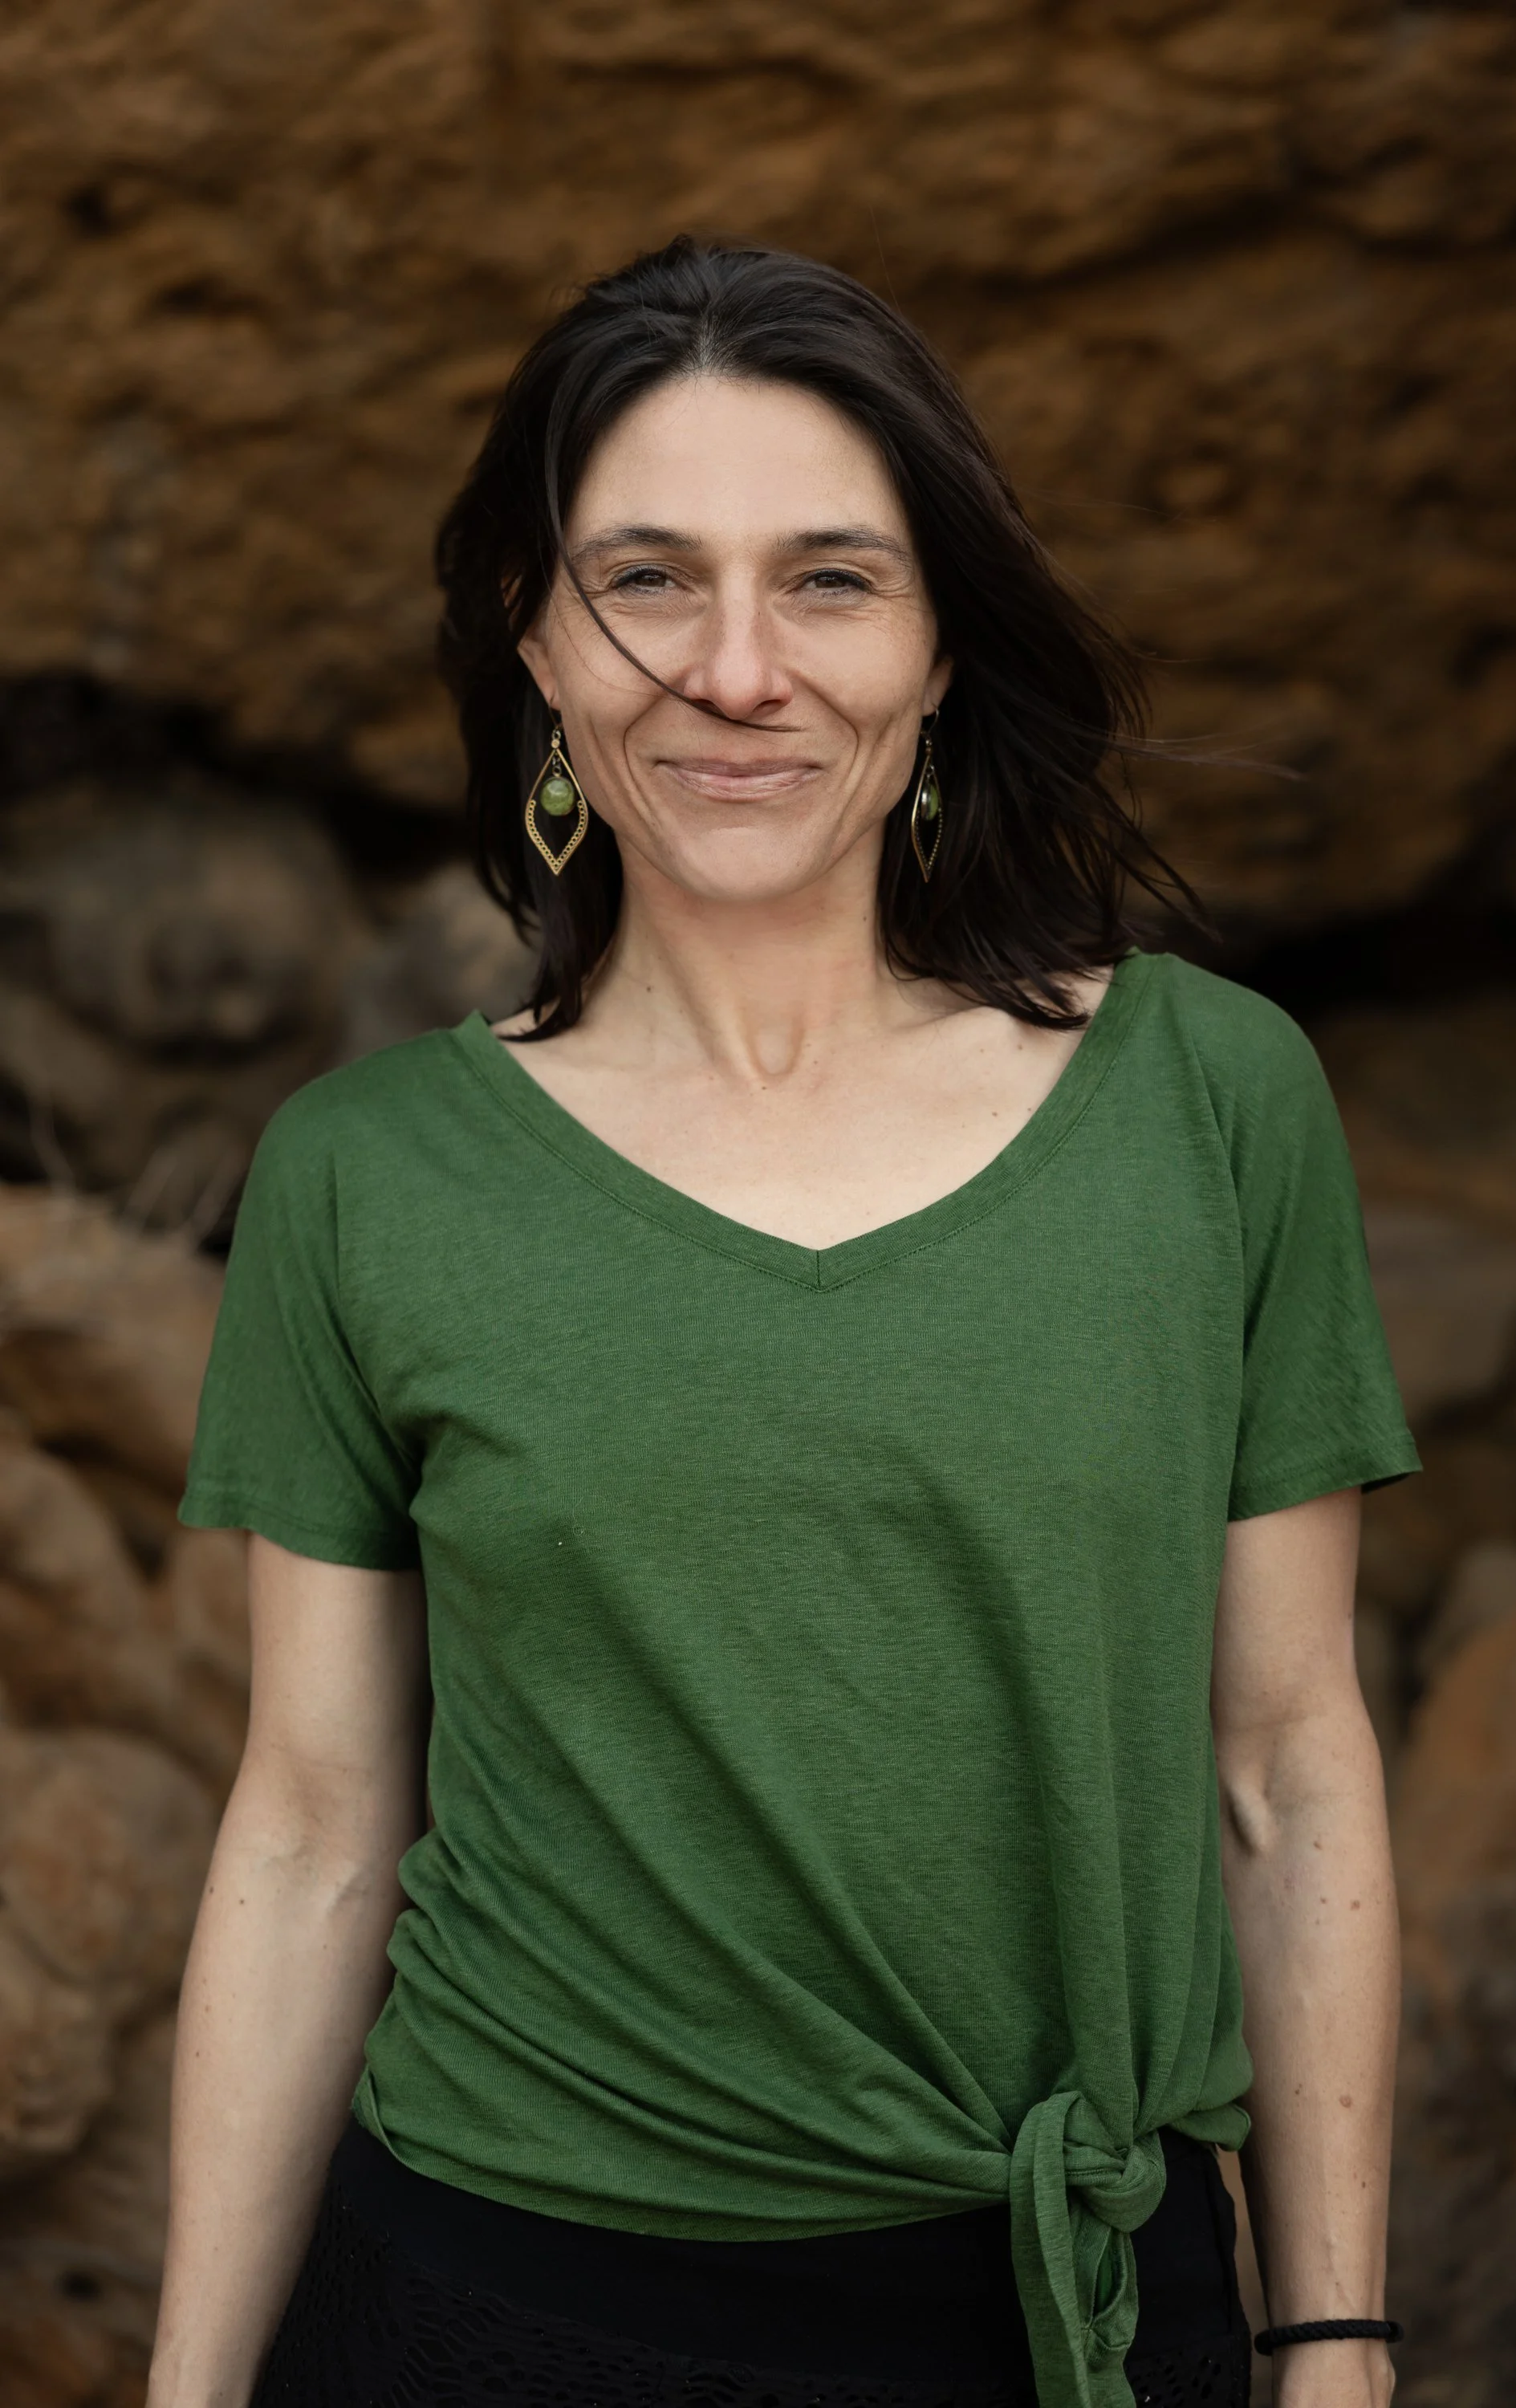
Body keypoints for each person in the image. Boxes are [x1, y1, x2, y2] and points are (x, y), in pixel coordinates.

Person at [148, 238, 1418, 2408]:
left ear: (937, 651)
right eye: (648, 578)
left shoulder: (1212, 1106)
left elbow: (1287, 1769)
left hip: (1078, 2320)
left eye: (831, 581)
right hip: (493, 2313)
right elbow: (309, 1825)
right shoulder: (368, 1176)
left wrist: (1337, 2337)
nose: (739, 670)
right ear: (538, 645)